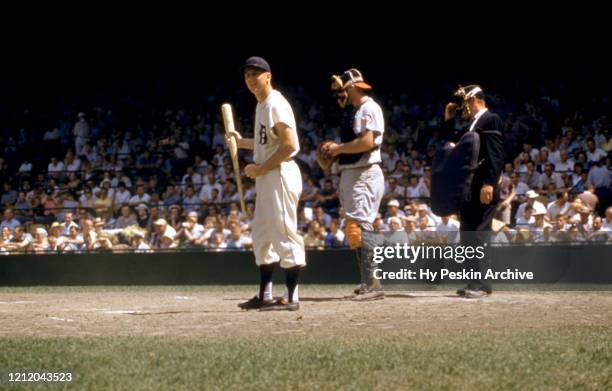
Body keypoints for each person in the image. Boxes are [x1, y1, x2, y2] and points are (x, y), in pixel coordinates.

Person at [227, 56, 305, 311]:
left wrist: (260, 167)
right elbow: (266, 143)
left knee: (283, 231)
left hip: (280, 174)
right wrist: (242, 142)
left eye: (255, 74)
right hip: (267, 176)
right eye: (247, 75)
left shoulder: (275, 104)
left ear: (268, 76)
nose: (250, 79)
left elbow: (290, 145)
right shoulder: (261, 105)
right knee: (262, 233)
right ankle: (265, 295)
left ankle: (292, 298)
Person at [322, 68, 386, 300]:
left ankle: (372, 285)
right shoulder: (355, 110)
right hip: (352, 173)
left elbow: (367, 142)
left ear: (350, 87)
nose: (340, 95)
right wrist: (335, 153)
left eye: (342, 90)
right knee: (353, 230)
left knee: (362, 227)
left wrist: (338, 149)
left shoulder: (369, 107)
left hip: (365, 173)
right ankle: (369, 281)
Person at [441, 85, 505, 298]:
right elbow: (448, 144)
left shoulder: (491, 119)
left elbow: (495, 153)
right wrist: (448, 117)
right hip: (469, 187)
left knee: (478, 234)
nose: (464, 107)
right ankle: (476, 282)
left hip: (482, 186)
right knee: (468, 235)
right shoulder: (471, 125)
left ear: (476, 99)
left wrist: (489, 182)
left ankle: (479, 283)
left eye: (466, 102)